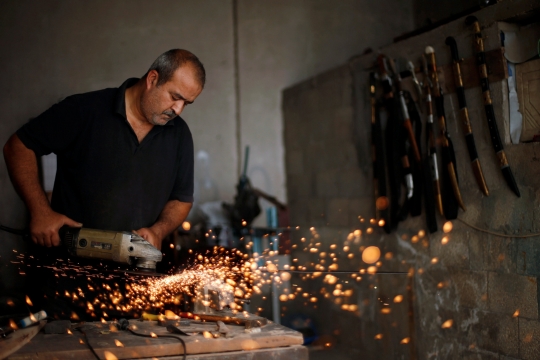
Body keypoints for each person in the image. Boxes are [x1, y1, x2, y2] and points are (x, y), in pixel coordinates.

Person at [2, 49, 205, 319]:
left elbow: (181, 198)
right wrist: (41, 211)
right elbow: (18, 146)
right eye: (175, 97)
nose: (177, 110)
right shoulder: (85, 110)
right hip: (67, 284)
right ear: (153, 79)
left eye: (186, 103)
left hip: (134, 290)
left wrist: (159, 229)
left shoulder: (179, 134)